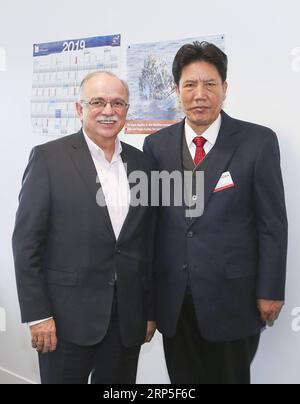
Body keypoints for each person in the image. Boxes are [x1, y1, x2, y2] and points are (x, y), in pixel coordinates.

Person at [143, 42, 287, 384]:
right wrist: (147, 302)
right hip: (175, 301)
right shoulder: (156, 146)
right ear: (177, 90)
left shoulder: (257, 142)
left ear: (225, 88)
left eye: (210, 84)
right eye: (190, 85)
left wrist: (271, 289)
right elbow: (153, 228)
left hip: (233, 298)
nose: (200, 94)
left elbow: (272, 224)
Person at [12, 71, 156, 384]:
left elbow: (147, 243)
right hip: (65, 321)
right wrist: (38, 315)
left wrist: (148, 311)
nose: (109, 110)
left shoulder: (143, 164)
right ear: (80, 109)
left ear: (126, 111)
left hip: (126, 320)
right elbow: (26, 244)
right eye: (98, 102)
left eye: (118, 103)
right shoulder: (48, 159)